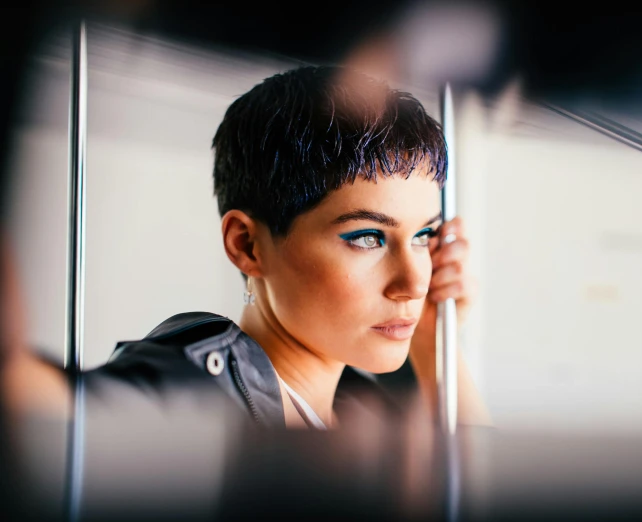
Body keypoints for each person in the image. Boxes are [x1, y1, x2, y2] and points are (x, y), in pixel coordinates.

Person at [3, 65, 491, 431]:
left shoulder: (365, 412)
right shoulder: (197, 391)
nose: (414, 282)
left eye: (424, 235)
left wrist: (435, 350)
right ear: (248, 245)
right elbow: (50, 412)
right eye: (368, 236)